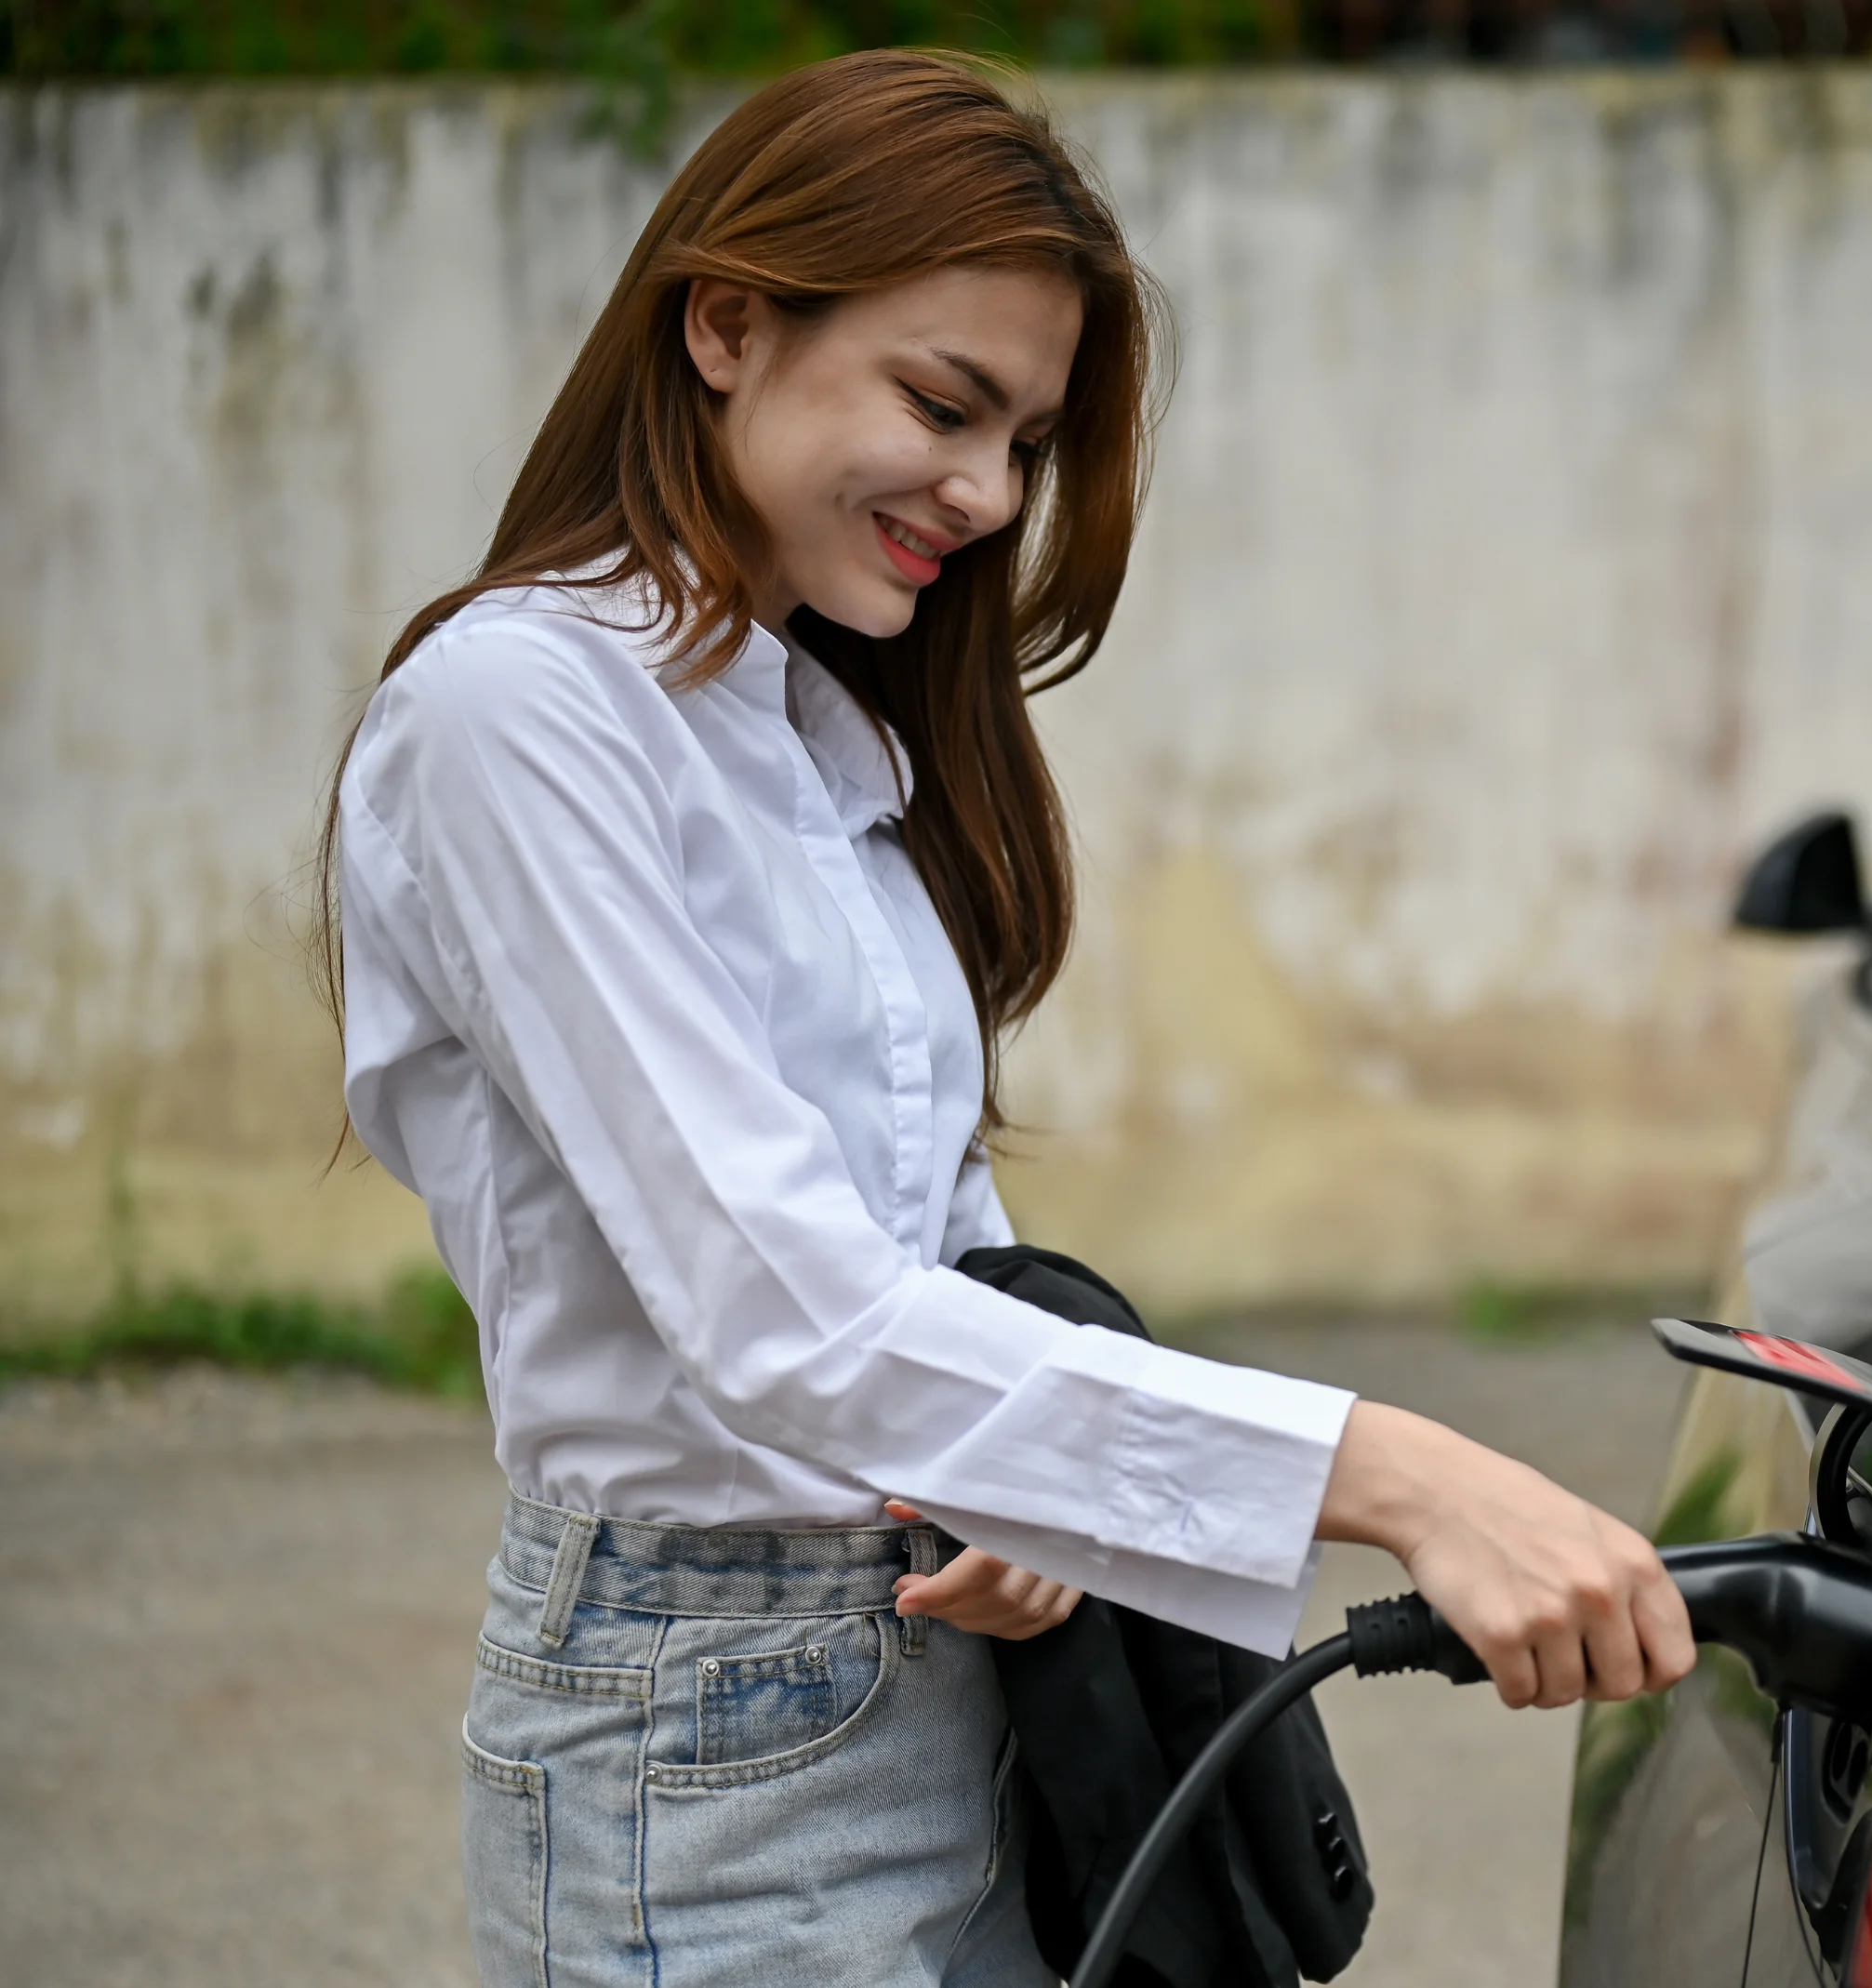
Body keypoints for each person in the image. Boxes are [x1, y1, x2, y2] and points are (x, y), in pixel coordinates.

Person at [323, 49, 1694, 1988]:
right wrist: (1399, 1474)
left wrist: (1015, 1484)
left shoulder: (822, 738)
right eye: (942, 404)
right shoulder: (517, 715)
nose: (983, 496)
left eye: (1023, 442)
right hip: (701, 1733)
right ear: (724, 323)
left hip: (955, 1668)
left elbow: (921, 1236)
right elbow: (776, 1304)